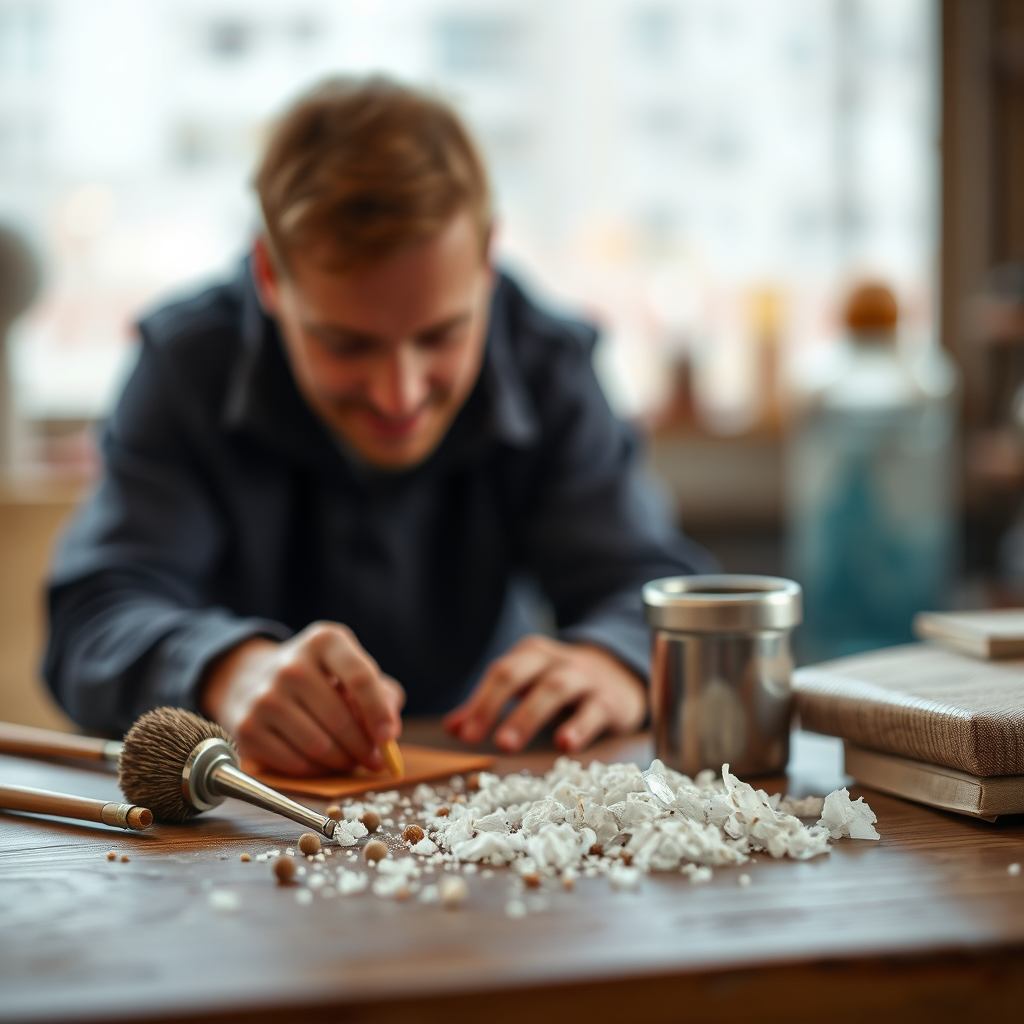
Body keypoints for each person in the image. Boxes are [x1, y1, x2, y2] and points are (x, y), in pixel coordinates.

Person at [44, 77, 713, 776]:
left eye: (442, 335)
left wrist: (614, 661)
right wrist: (227, 670)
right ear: (269, 275)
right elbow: (93, 621)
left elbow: (649, 589)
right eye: (347, 344)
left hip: (496, 800)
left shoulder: (548, 361)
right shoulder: (187, 365)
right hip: (252, 815)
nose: (400, 395)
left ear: (486, 259)